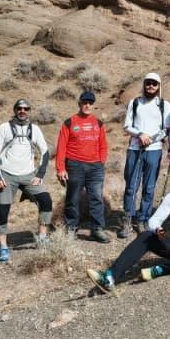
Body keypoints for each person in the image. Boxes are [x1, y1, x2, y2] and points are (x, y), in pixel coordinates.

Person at [89, 161, 170, 289]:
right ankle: (110, 276)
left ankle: (159, 270)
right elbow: (154, 221)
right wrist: (158, 230)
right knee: (146, 235)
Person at [0, 98, 51, 263]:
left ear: (29, 111)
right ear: (15, 110)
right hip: (7, 175)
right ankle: (3, 247)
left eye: (25, 108)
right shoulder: (4, 127)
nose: (22, 111)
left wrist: (40, 174)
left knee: (46, 201)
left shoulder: (35, 129)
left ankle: (42, 236)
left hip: (29, 175)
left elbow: (45, 152)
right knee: (2, 210)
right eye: (19, 108)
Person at [120, 73, 170, 238]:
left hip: (154, 150)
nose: (151, 86)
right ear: (144, 85)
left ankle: (143, 218)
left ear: (159, 86)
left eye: (154, 84)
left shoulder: (164, 105)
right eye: (148, 83)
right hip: (135, 149)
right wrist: (140, 134)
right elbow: (127, 125)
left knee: (149, 188)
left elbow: (166, 129)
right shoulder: (134, 103)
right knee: (131, 187)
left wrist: (151, 139)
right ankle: (128, 219)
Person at [55, 91, 110, 242]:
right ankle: (71, 229)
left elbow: (103, 145)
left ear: (93, 105)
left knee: (96, 198)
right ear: (79, 104)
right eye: (84, 102)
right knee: (73, 199)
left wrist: (101, 161)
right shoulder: (69, 122)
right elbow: (61, 147)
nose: (87, 105)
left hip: (95, 167)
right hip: (75, 165)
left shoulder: (98, 123)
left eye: (90, 103)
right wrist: (60, 168)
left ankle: (97, 229)